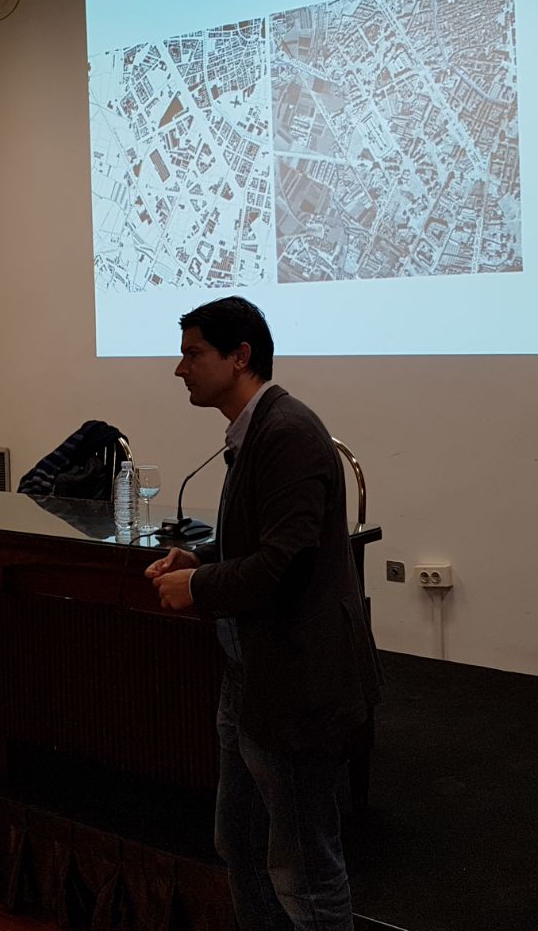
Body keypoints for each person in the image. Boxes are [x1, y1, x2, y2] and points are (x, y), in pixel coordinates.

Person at [147, 296, 380, 931]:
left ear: (240, 356)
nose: (180, 369)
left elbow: (285, 567)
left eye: (193, 354)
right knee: (241, 843)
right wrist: (198, 556)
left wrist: (198, 587)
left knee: (305, 870)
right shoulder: (254, 430)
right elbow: (260, 543)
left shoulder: (287, 432)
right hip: (250, 679)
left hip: (295, 687)